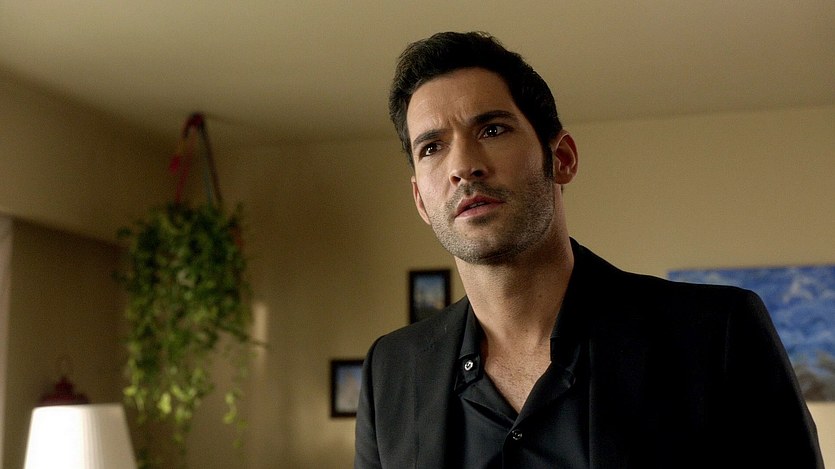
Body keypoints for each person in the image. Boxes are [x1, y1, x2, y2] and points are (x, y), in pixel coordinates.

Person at [354, 31, 823, 468]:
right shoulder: (389, 372)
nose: (463, 166)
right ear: (420, 199)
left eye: (492, 130)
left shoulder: (716, 334)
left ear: (561, 159)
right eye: (432, 147)